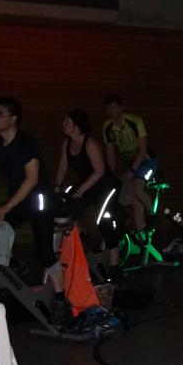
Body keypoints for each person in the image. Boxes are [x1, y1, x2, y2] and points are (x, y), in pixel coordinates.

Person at [0, 97, 68, 325]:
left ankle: (61, 299)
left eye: (0, 114)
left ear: (13, 119)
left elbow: (32, 179)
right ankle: (16, 266)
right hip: (20, 200)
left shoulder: (26, 142)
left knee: (44, 252)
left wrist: (7, 206)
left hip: (39, 200)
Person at [55, 110, 126, 281]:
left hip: (105, 185)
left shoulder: (90, 143)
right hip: (89, 184)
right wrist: (57, 187)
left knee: (104, 222)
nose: (63, 124)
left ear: (76, 125)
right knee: (66, 206)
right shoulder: (67, 144)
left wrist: (82, 190)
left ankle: (114, 267)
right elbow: (63, 167)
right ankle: (82, 236)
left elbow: (99, 171)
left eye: (67, 121)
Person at [101, 94, 156, 233]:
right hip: (130, 163)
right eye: (108, 108)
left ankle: (153, 216)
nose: (111, 111)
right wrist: (110, 174)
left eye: (114, 107)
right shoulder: (107, 126)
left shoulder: (135, 121)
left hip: (146, 161)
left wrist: (132, 171)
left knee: (137, 188)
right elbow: (110, 153)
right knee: (136, 204)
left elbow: (143, 150)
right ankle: (143, 236)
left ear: (121, 107)